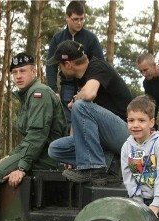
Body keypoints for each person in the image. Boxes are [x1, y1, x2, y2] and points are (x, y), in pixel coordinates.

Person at [0, 52, 66, 221]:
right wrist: (11, 156)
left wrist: (22, 167)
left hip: (45, 156)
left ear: (34, 72)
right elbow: (31, 138)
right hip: (37, 152)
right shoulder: (30, 95)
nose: (18, 76)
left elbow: (37, 135)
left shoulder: (39, 93)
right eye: (15, 73)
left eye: (23, 71)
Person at [47, 40, 132, 185]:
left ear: (68, 64)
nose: (59, 70)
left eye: (59, 66)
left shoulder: (98, 66)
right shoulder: (81, 80)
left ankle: (94, 169)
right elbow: (80, 122)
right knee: (55, 149)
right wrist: (80, 152)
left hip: (128, 135)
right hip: (105, 138)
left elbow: (89, 94)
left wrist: (75, 99)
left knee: (81, 105)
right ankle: (110, 165)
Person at [45, 0, 104, 127]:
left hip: (87, 86)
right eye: (75, 19)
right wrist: (53, 89)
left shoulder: (91, 38)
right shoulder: (58, 38)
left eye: (82, 19)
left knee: (86, 123)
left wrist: (91, 86)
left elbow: (100, 64)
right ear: (67, 17)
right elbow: (51, 65)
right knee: (68, 123)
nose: (79, 22)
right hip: (67, 86)